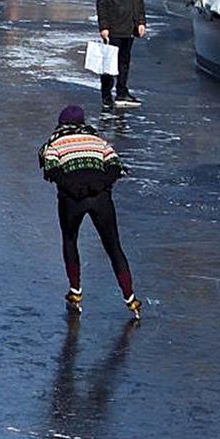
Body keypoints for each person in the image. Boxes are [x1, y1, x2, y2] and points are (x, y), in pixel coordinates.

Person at [40, 104, 141, 317]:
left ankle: (75, 292)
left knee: (70, 240)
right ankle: (130, 298)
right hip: (101, 198)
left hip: (71, 199)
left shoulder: (54, 143)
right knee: (114, 247)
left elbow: (52, 170)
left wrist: (73, 187)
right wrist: (100, 185)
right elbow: (115, 166)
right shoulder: (99, 142)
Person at [96, 0, 146, 107]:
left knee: (124, 60)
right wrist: (104, 26)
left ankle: (122, 92)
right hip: (113, 26)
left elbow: (139, 0)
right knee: (109, 62)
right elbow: (102, 3)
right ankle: (106, 94)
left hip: (129, 26)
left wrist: (140, 22)